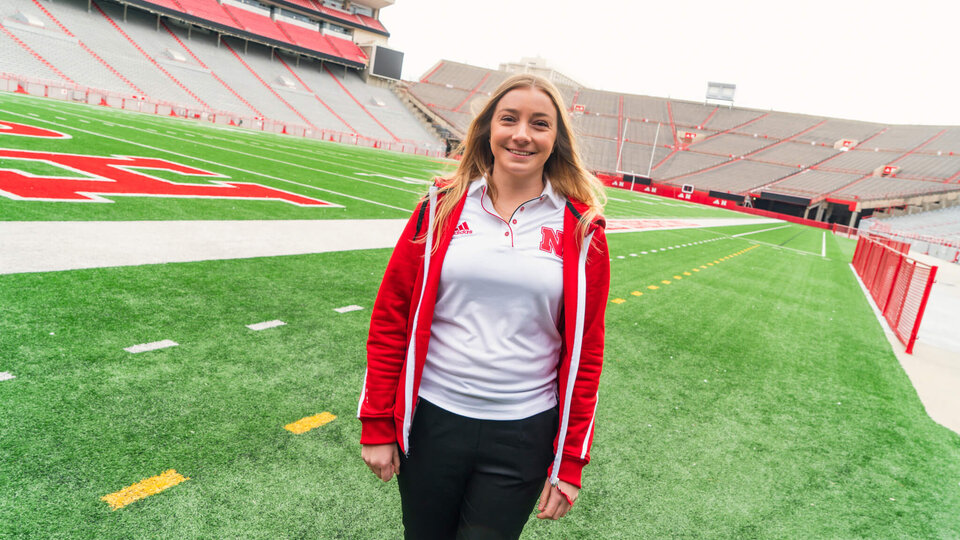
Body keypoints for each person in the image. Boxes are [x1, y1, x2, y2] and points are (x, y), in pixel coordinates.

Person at [358, 73, 610, 539]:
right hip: (433, 420)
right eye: (509, 119)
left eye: (540, 124)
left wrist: (570, 459)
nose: (522, 134)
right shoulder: (441, 205)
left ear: (555, 140)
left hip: (522, 434)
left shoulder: (581, 228)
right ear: (487, 130)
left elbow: (586, 352)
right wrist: (376, 421)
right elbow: (392, 312)